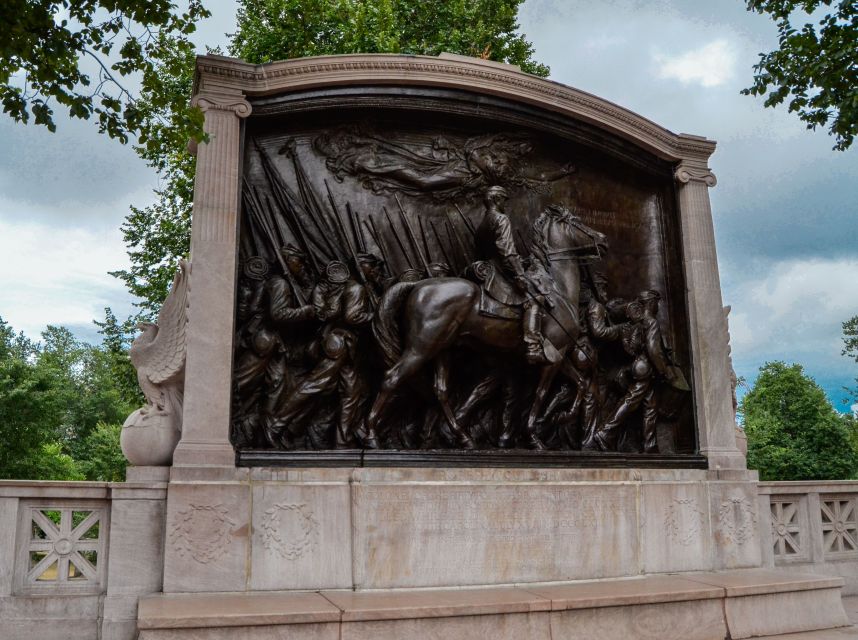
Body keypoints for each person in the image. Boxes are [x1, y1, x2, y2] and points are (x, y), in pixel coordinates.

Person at [266, 261, 374, 449]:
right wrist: (377, 313)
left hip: (341, 347)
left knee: (350, 392)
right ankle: (275, 425)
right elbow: (352, 317)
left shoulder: (322, 288)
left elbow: (322, 313)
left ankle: (342, 442)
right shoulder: (355, 289)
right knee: (315, 384)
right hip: (339, 345)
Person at [474, 185, 551, 364]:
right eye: (503, 200)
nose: (504, 204)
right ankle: (533, 347)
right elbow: (507, 252)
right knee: (535, 299)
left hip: (486, 269)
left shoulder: (482, 223)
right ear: (495, 199)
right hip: (499, 272)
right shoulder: (501, 219)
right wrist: (520, 275)